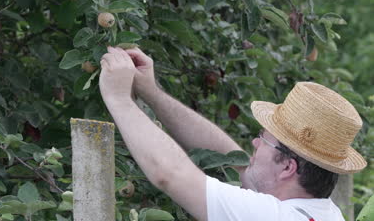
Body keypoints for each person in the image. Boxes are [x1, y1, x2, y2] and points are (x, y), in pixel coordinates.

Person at [99, 46, 367, 221]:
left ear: (287, 167)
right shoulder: (324, 213)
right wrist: (152, 93)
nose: (253, 142)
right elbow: (234, 159)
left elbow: (170, 174)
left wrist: (119, 98)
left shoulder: (270, 216)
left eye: (262, 139)